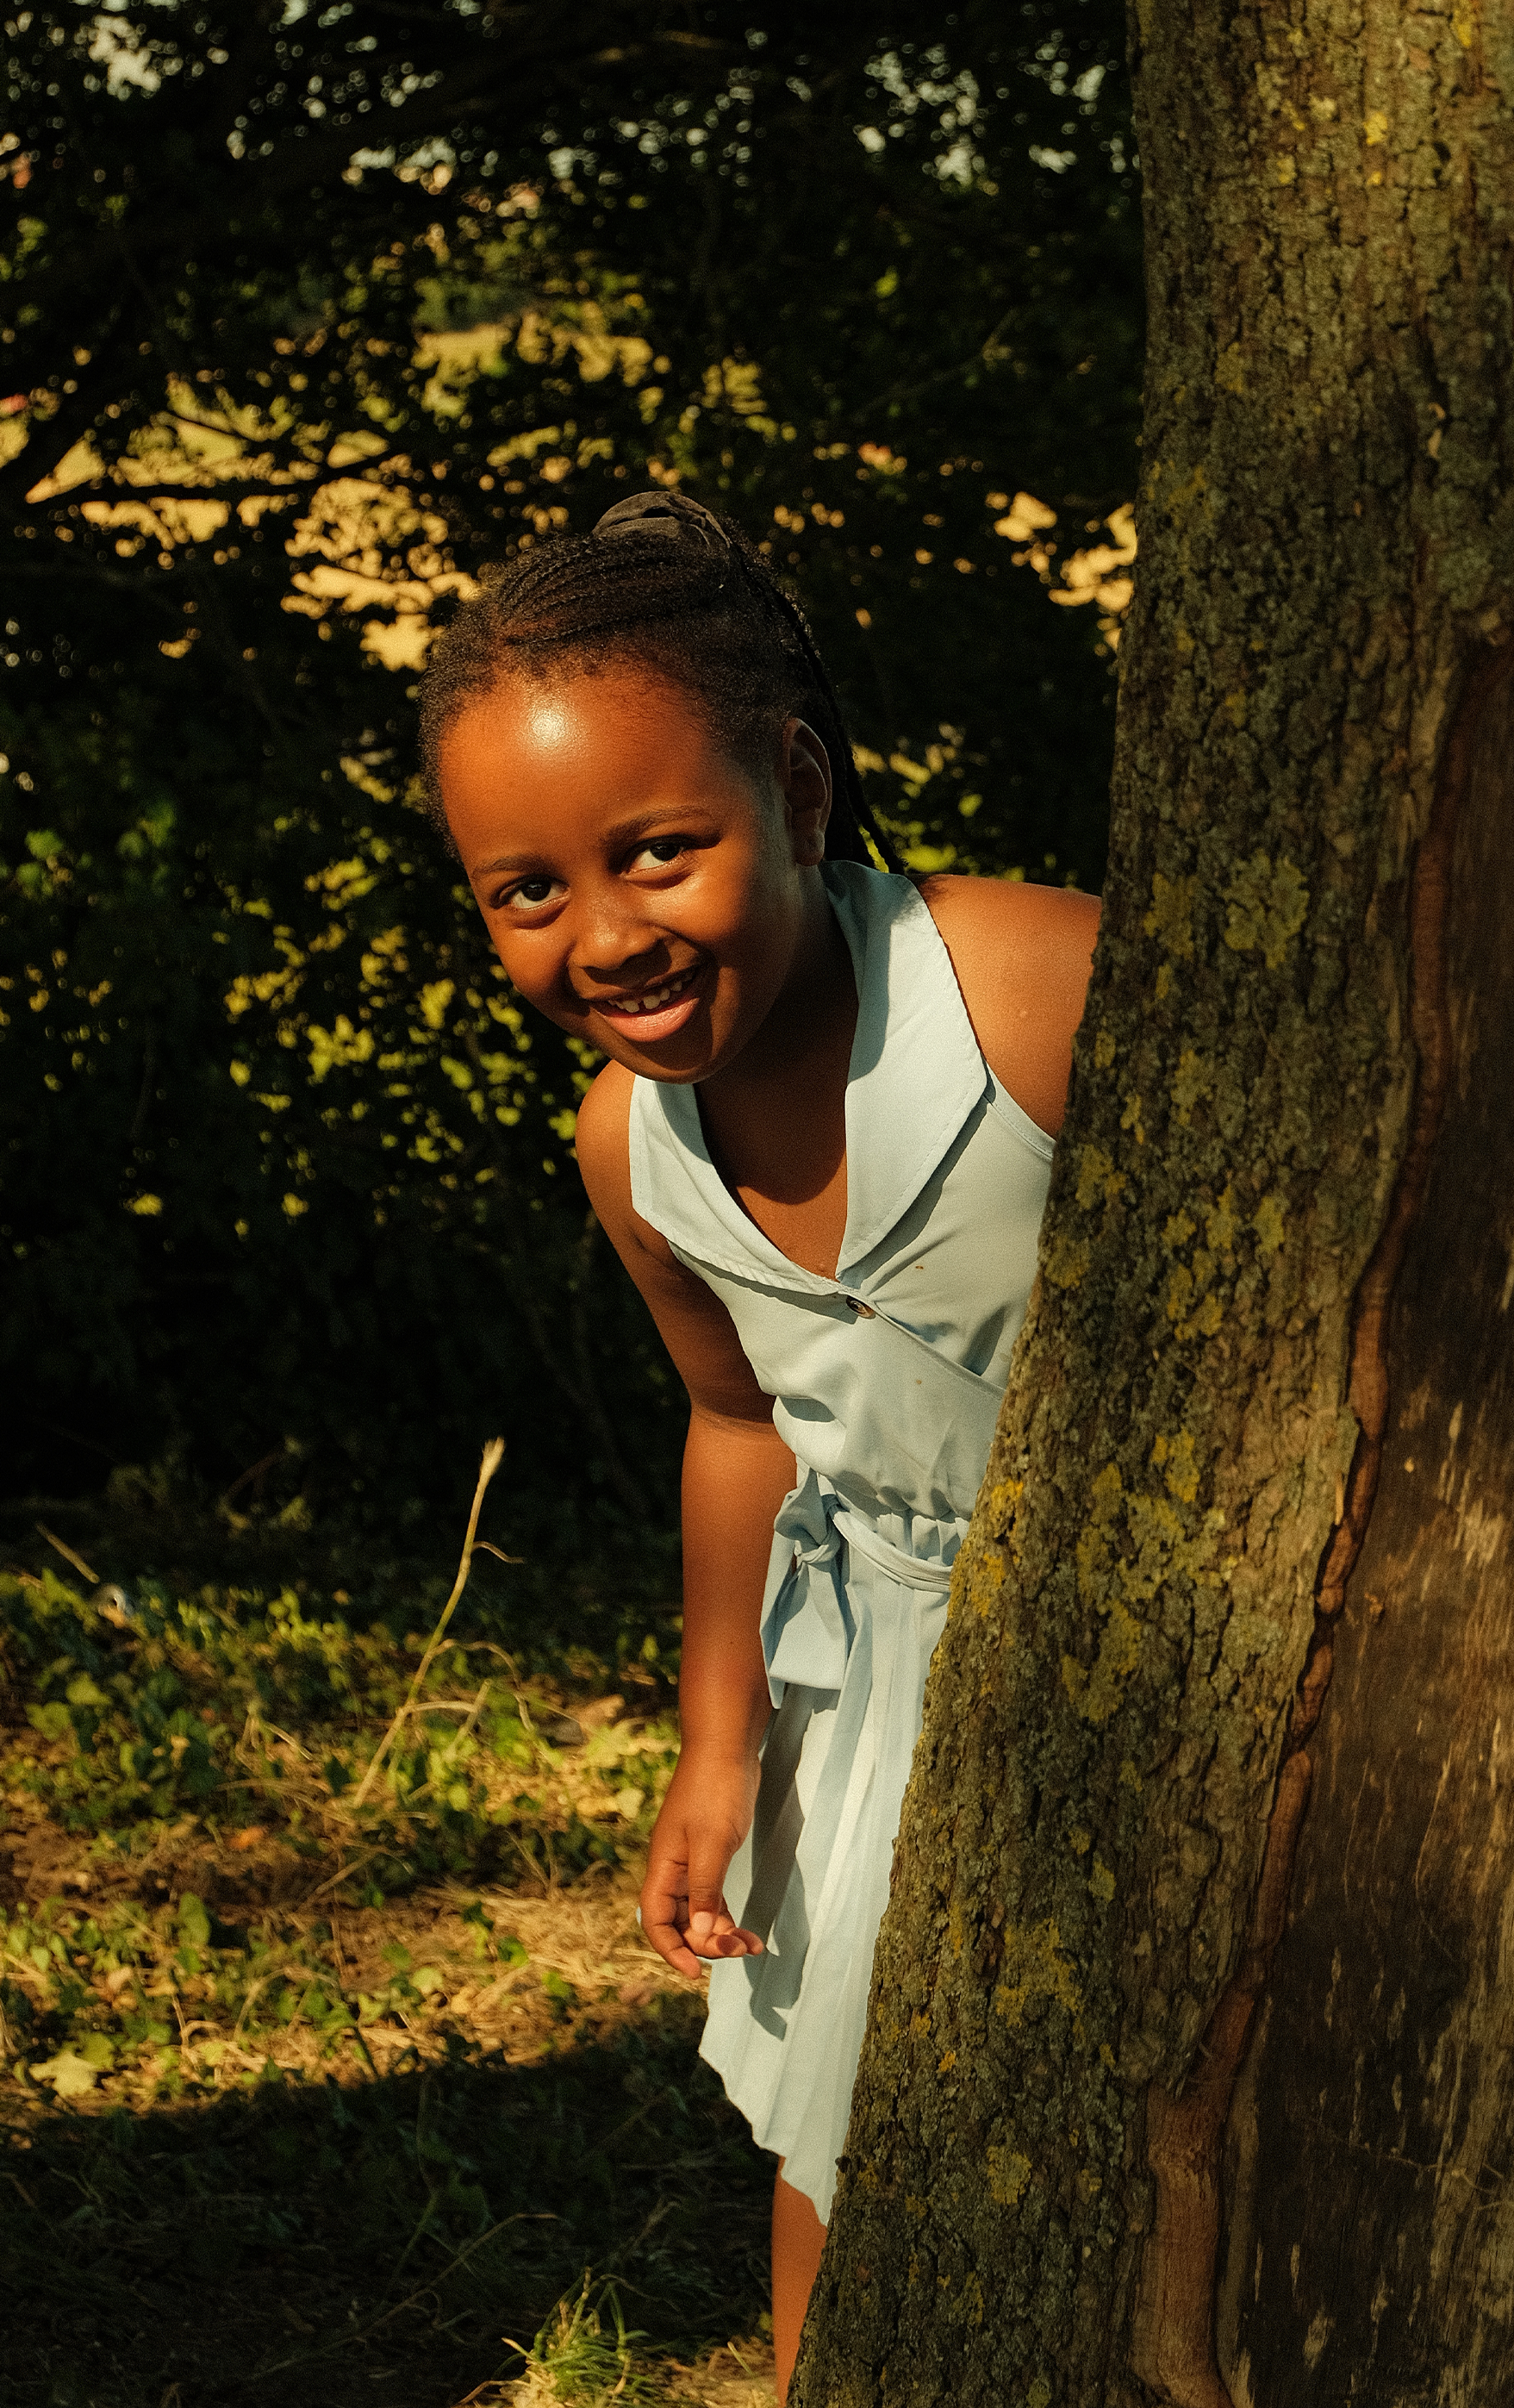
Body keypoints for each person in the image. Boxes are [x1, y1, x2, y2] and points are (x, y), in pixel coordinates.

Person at [421, 491, 1097, 2398]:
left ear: (798, 791)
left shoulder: (1024, 995)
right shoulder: (629, 1150)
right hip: (876, 1661)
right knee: (839, 2120)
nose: (604, 934)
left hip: (1143, 1645)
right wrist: (719, 1745)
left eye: (659, 849)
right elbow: (737, 1420)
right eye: (526, 890)